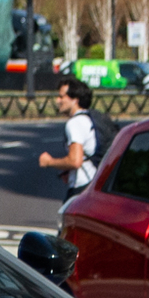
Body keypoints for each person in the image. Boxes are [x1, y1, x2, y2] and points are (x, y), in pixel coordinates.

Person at [35, 77, 102, 205]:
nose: (57, 101)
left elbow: (75, 161)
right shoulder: (89, 118)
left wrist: (49, 162)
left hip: (81, 188)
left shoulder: (75, 123)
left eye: (62, 97)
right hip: (93, 184)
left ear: (75, 100)